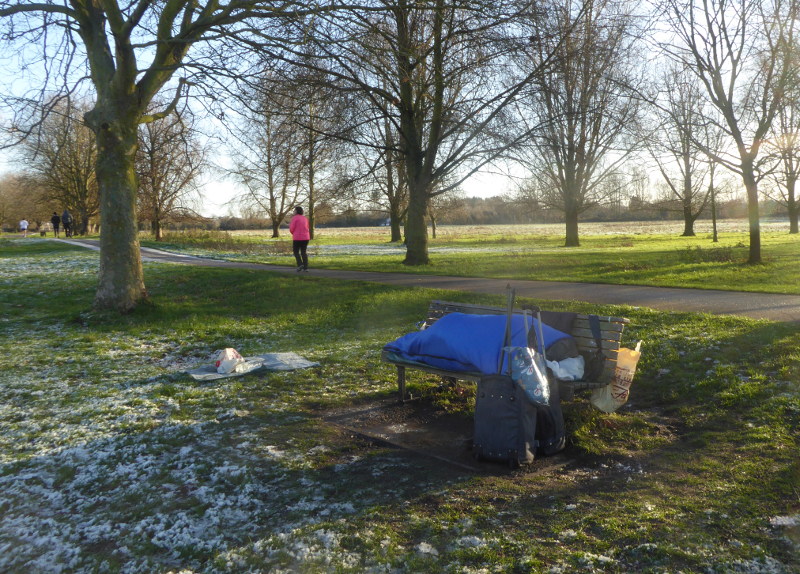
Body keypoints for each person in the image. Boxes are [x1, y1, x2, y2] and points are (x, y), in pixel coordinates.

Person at [289, 205, 311, 272]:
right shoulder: (305, 218)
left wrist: (294, 233)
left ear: (296, 211)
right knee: (303, 252)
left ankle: (300, 264)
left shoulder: (294, 218)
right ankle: (306, 267)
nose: (293, 212)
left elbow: (291, 228)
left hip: (297, 237)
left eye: (294, 210)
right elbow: (308, 227)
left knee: (296, 252)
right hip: (306, 237)